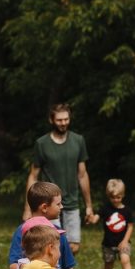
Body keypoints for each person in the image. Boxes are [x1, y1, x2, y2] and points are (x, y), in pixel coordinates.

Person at [23, 103, 97, 253]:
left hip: (72, 201)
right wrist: (27, 208)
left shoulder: (78, 141)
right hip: (48, 203)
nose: (63, 123)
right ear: (51, 120)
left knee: (73, 246)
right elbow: (33, 176)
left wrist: (89, 206)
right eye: (59, 120)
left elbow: (82, 174)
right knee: (51, 245)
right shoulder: (42, 144)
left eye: (66, 119)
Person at [8, 181, 78, 269]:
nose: (62, 207)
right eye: (58, 204)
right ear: (45, 207)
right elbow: (13, 265)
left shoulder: (59, 233)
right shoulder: (22, 232)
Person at [96, 178, 134, 269]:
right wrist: (91, 218)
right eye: (113, 197)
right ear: (108, 196)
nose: (116, 200)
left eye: (118, 197)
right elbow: (96, 218)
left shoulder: (127, 211)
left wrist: (125, 241)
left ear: (123, 195)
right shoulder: (105, 209)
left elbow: (130, 226)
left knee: (125, 260)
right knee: (108, 265)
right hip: (108, 243)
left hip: (123, 242)